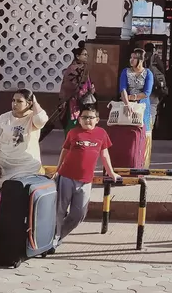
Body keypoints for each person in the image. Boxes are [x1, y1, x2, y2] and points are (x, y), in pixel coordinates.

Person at [51, 104, 119, 245]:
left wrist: (111, 172)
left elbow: (104, 154)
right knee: (59, 211)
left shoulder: (101, 133)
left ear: (97, 119)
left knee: (79, 214)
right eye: (84, 117)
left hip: (86, 181)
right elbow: (64, 151)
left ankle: (59, 235)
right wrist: (57, 169)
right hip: (66, 177)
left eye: (91, 117)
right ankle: (53, 239)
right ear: (79, 119)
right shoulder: (73, 133)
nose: (88, 120)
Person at [0, 89, 49, 190]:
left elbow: (41, 119)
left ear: (29, 103)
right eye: (13, 100)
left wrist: (35, 102)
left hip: (24, 168)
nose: (15, 104)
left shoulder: (33, 118)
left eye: (19, 101)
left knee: (16, 193)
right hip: (1, 166)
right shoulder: (4, 118)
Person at [47, 44, 95, 139]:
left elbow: (88, 82)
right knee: (72, 123)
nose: (86, 56)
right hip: (72, 101)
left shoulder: (85, 68)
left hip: (84, 101)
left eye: (87, 55)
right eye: (84, 54)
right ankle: (69, 142)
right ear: (77, 56)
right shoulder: (72, 69)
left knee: (83, 121)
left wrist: (91, 89)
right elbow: (69, 86)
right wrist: (81, 93)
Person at [120, 48, 155, 165]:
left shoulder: (148, 73)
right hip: (128, 105)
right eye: (131, 57)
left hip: (143, 107)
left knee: (144, 133)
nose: (131, 60)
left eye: (134, 58)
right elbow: (123, 89)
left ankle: (142, 164)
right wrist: (127, 103)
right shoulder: (125, 72)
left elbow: (147, 93)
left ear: (140, 60)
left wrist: (132, 97)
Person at [144, 43, 168, 137]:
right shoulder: (155, 57)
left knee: (143, 108)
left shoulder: (142, 57)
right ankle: (149, 129)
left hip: (143, 87)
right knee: (152, 108)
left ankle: (143, 128)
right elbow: (162, 69)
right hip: (154, 87)